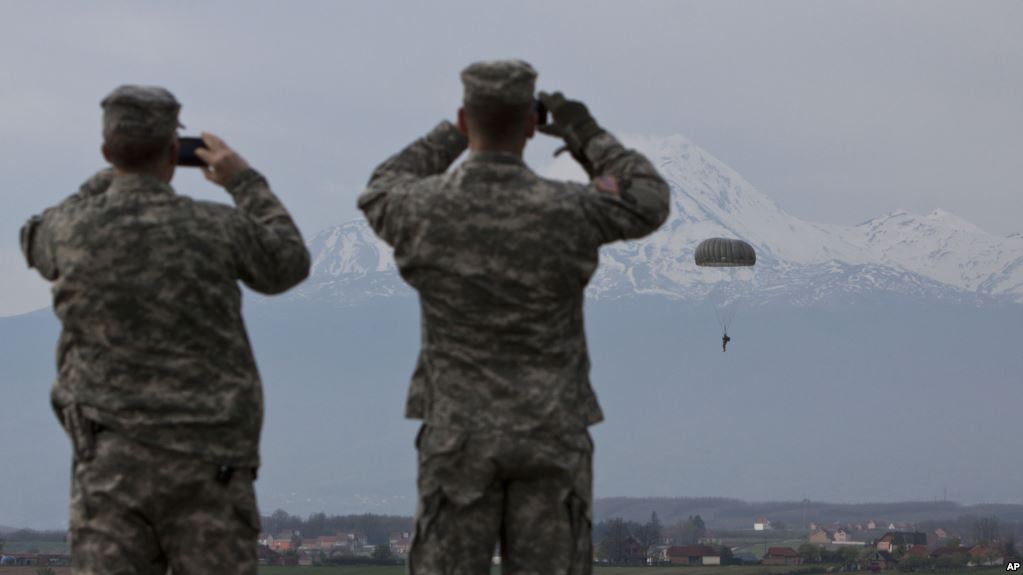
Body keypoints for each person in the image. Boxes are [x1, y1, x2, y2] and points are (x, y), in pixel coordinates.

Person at [358, 60, 670, 574]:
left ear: (464, 118)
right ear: (531, 123)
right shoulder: (569, 209)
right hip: (550, 435)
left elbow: (379, 189)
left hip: (457, 437)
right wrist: (584, 132)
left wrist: (450, 136)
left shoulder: (423, 208)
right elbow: (648, 199)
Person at [19, 85, 310, 574]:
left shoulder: (72, 230)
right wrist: (244, 181)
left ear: (107, 151)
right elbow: (289, 261)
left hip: (109, 465)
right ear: (174, 153)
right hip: (209, 467)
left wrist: (111, 178)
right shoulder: (216, 228)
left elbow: (33, 235)